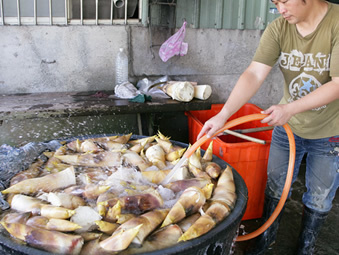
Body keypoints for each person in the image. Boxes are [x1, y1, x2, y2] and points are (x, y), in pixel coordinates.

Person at [197, 0, 339, 254]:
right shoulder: (278, 28)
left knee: (319, 197)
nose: (280, 9)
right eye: (275, 3)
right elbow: (254, 73)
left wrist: (290, 109)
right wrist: (224, 115)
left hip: (330, 132)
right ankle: (265, 242)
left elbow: (338, 84)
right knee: (275, 185)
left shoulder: (337, 22)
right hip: (288, 127)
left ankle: (306, 248)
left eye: (285, 1)